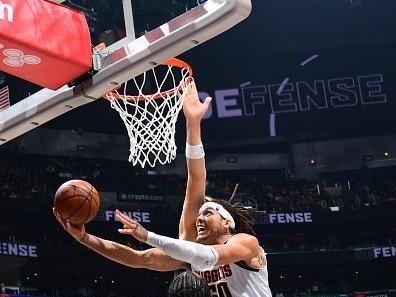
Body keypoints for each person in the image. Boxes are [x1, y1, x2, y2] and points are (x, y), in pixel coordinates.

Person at [54, 82, 272, 297]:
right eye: (200, 212)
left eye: (208, 212)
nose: (199, 217)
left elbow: (210, 256)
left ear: (227, 223)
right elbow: (137, 258)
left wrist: (148, 235)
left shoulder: (245, 243)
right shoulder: (191, 255)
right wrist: (85, 238)